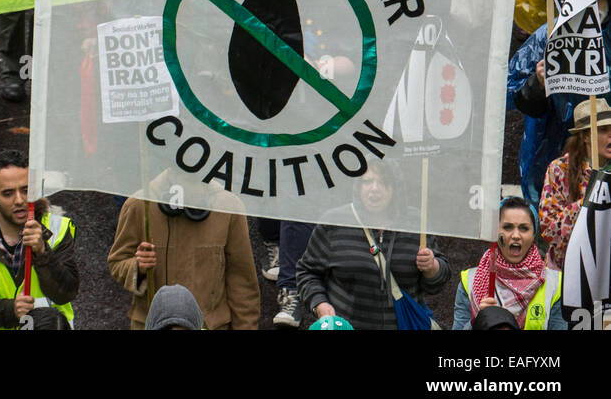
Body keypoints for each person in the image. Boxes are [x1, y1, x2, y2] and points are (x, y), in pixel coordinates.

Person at [296, 164, 450, 329]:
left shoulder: (415, 222)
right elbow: (307, 271)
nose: (374, 188)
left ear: (395, 187)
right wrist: (320, 304)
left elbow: (437, 283)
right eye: (367, 181)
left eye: (383, 182)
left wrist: (432, 268)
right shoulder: (335, 222)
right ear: (358, 186)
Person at [508, 0, 611, 210]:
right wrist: (538, 82)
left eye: (600, 3)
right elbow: (513, 93)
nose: (592, 12)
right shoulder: (549, 35)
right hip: (554, 147)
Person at [0, 149, 78, 330]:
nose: (19, 200)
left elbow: (66, 293)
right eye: (8, 193)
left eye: (25, 190)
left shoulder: (57, 231)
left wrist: (42, 252)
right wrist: (10, 311)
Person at [107, 183, 260, 330]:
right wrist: (137, 267)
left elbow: (242, 282)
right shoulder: (140, 204)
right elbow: (117, 261)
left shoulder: (228, 207)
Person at [453, 198, 564, 330]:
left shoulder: (555, 285)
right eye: (507, 227)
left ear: (534, 235)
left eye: (524, 228)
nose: (516, 235)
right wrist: (479, 320)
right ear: (494, 232)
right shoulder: (469, 282)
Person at [540, 99, 611, 270]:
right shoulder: (559, 169)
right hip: (570, 272)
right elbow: (550, 231)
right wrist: (588, 202)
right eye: (603, 130)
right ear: (585, 136)